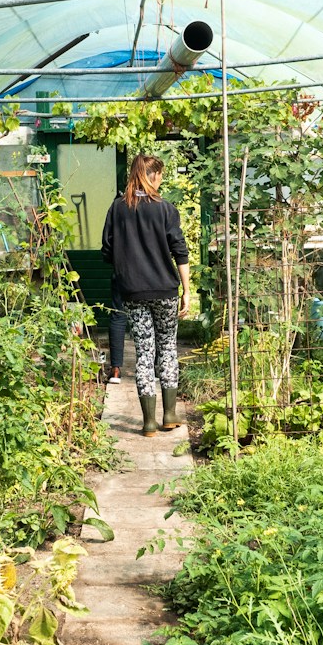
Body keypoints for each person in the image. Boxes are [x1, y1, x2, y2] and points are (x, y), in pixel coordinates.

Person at [101, 153, 190, 435]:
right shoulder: (165, 209)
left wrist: (127, 261)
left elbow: (107, 250)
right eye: (160, 175)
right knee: (167, 348)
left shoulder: (118, 208)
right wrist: (187, 291)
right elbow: (180, 251)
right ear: (152, 175)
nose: (160, 180)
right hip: (165, 290)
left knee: (144, 353)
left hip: (133, 292)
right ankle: (170, 415)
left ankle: (148, 422)